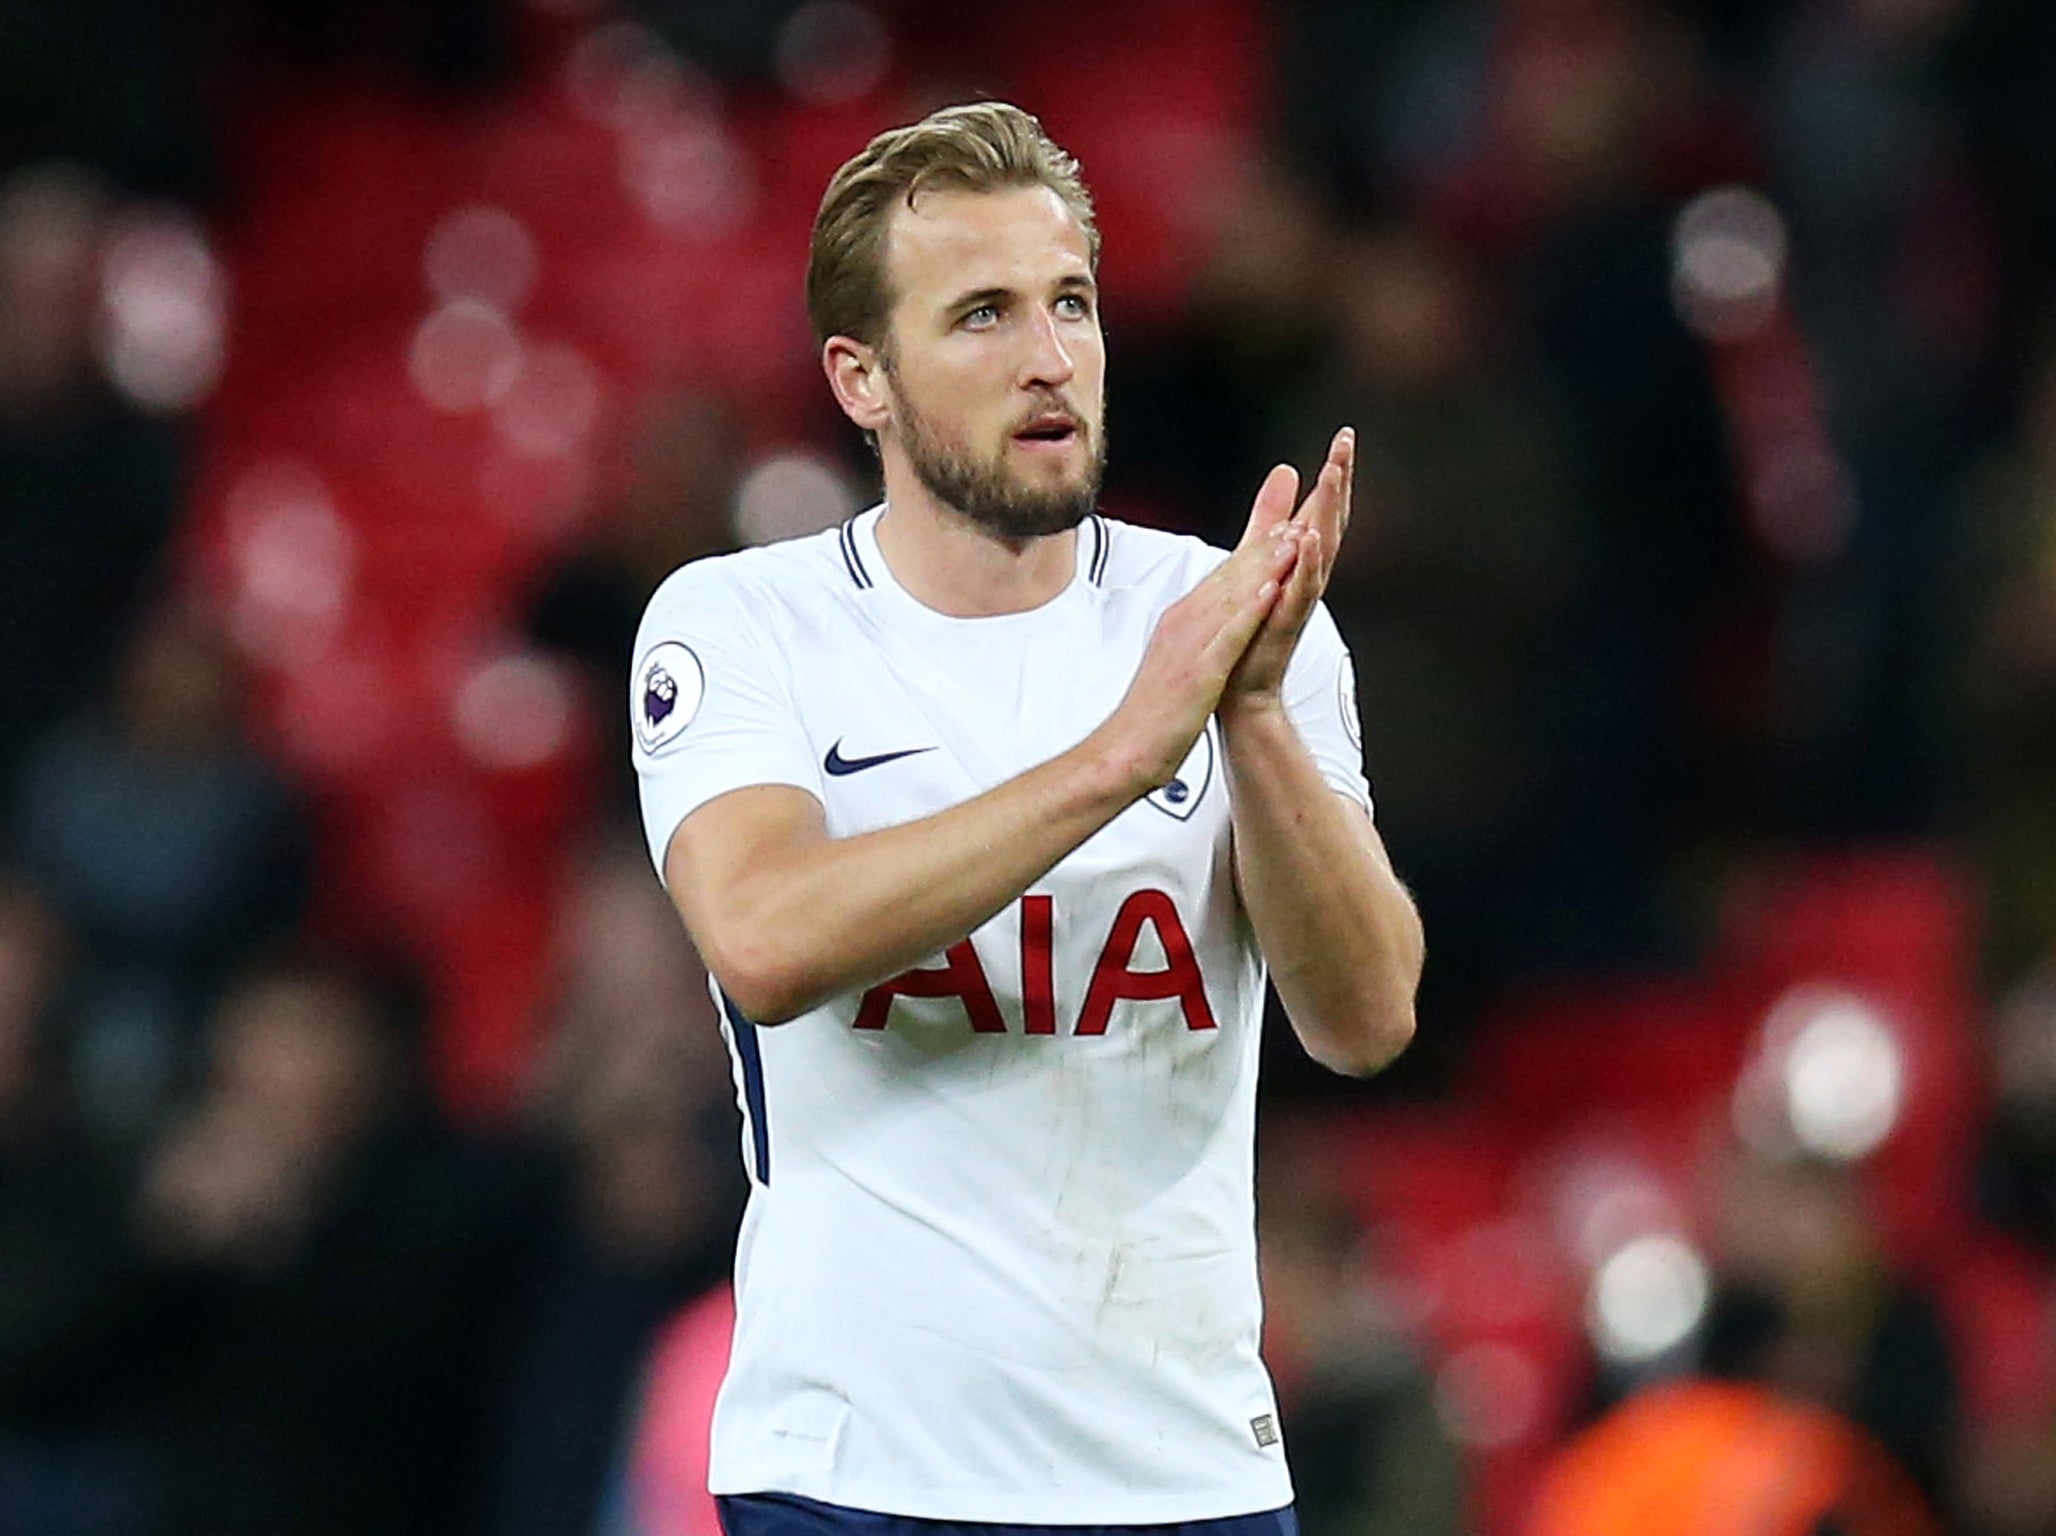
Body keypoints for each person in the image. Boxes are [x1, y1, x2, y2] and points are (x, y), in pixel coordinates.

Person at [630, 101, 1424, 1532]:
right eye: (983, 316)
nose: (1051, 358)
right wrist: (1124, 750)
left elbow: (1364, 1019)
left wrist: (1245, 719)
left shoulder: (1229, 622)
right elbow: (763, 937)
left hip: (1185, 1478)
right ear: (861, 379)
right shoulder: (743, 622)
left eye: (1072, 304)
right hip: (856, 1480)